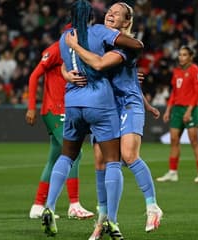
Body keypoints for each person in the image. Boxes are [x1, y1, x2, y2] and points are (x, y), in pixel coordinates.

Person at [40, 0, 144, 238]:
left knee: (66, 156)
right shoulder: (99, 31)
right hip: (100, 103)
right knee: (113, 161)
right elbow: (130, 45)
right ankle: (112, 221)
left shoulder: (65, 37)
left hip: (73, 103)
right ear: (91, 16)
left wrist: (67, 74)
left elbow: (63, 69)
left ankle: (50, 206)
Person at [64, 2, 163, 238]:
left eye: (117, 14)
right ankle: (103, 220)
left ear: (126, 22)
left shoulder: (124, 47)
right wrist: (67, 73)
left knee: (128, 156)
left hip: (127, 104)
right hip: (106, 107)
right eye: (109, 11)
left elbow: (98, 65)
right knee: (101, 162)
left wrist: (75, 46)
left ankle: (152, 205)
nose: (110, 14)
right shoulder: (102, 42)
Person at [25, 39, 94, 220]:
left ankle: (38, 205)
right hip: (54, 110)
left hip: (67, 109)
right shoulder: (56, 49)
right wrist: (31, 106)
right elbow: (34, 76)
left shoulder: (79, 49)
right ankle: (74, 204)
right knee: (74, 153)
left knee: (55, 157)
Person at [156, 45, 198, 183]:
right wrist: (168, 109)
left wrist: (189, 111)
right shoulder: (177, 71)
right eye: (180, 54)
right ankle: (173, 173)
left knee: (194, 141)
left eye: (184, 55)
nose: (181, 57)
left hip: (191, 109)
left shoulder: (195, 70)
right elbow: (174, 92)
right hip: (177, 110)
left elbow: (197, 93)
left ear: (191, 57)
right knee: (174, 140)